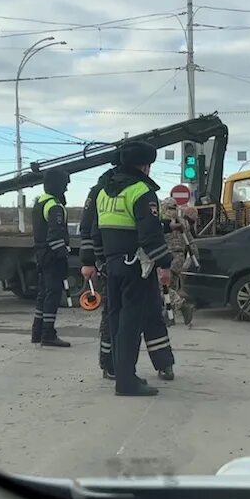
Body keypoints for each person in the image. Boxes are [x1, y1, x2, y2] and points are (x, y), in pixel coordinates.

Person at [94, 141, 174, 396]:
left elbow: (96, 231)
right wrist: (164, 264)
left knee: (116, 320)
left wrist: (97, 259)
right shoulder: (141, 191)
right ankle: (127, 382)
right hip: (135, 267)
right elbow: (149, 235)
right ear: (145, 165)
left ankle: (120, 372)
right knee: (131, 323)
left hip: (112, 264)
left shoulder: (104, 191)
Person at [79, 149, 120, 379]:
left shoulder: (108, 188)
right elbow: (86, 227)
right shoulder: (100, 190)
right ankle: (109, 363)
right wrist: (88, 261)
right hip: (108, 261)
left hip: (116, 260)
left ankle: (113, 362)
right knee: (112, 313)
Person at [31, 169, 72, 348]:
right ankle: (48, 333)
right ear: (58, 184)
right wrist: (63, 256)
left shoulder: (40, 202)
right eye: (65, 185)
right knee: (53, 294)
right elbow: (55, 236)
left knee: (43, 293)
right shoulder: (54, 206)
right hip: (52, 256)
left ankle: (37, 331)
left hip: (41, 254)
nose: (67, 189)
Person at [161, 197, 199, 326]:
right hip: (180, 257)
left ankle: (182, 306)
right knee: (171, 287)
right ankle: (169, 317)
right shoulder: (184, 222)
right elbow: (191, 241)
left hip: (167, 257)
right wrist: (195, 258)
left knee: (162, 287)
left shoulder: (163, 220)